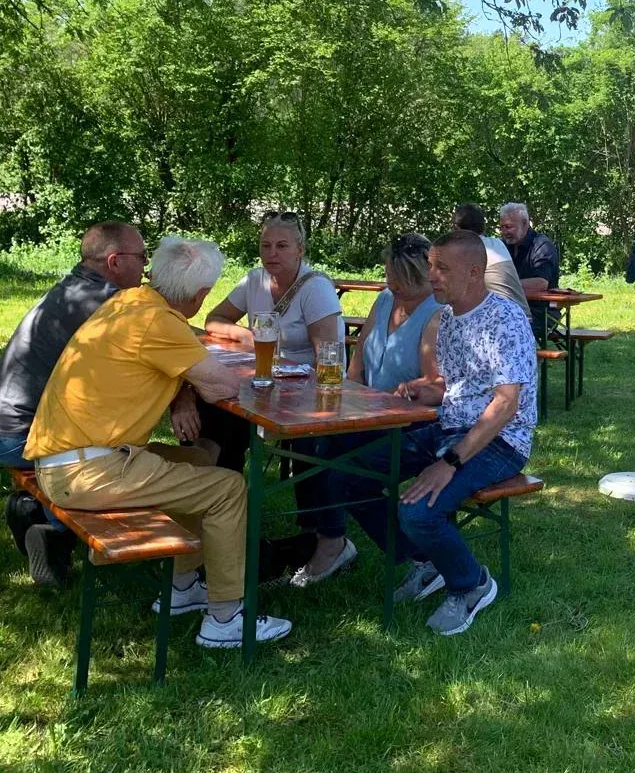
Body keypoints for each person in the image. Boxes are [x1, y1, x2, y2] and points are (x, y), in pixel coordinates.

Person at [23, 236, 292, 649]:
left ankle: (182, 588)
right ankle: (225, 618)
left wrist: (185, 387)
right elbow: (222, 386)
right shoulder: (159, 323)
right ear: (201, 294)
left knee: (198, 462)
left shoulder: (129, 302)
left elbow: (170, 359)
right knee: (228, 489)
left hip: (67, 459)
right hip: (88, 471)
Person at [319, 230, 537, 636]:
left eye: (442, 268)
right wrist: (427, 390)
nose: (431, 275)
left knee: (418, 510)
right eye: (432, 266)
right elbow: (457, 388)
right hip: (448, 427)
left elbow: (506, 404)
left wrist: (449, 462)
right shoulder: (450, 317)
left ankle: (470, 584)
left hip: (500, 442)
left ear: (474, 273)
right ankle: (427, 561)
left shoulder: (504, 319)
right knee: (345, 476)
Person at [0, 222, 148, 574]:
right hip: (22, 436)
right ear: (115, 261)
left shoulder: (73, 288)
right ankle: (54, 528)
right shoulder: (109, 303)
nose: (146, 266)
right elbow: (162, 346)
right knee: (121, 458)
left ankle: (31, 509)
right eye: (142, 256)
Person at [289, 233, 443, 586]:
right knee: (313, 441)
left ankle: (407, 554)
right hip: (368, 411)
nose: (393, 289)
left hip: (410, 423)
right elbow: (357, 363)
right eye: (390, 279)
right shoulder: (386, 299)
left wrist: (369, 405)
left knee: (340, 467)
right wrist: (348, 400)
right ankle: (325, 536)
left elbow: (431, 389)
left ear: (421, 278)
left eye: (400, 284)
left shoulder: (436, 312)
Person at [183, 211, 344, 472]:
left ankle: (213, 479)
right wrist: (246, 336)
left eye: (282, 246)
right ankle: (212, 478)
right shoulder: (254, 279)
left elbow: (327, 357)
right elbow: (215, 319)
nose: (272, 253)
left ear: (300, 250)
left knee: (226, 413)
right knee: (213, 401)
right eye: (266, 246)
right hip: (263, 383)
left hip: (306, 392)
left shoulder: (316, 288)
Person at [453, 203, 531, 320]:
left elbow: (454, 291)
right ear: (483, 227)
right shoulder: (497, 244)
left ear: (457, 229)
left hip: (504, 321)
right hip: (523, 318)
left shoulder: (468, 251)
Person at [498, 201, 560, 337]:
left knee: (501, 329)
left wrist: (500, 285)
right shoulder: (503, 246)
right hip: (509, 310)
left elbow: (540, 284)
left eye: (509, 227)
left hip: (541, 313)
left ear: (525, 223)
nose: (504, 232)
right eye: (502, 227)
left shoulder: (542, 246)